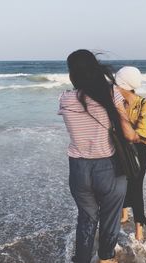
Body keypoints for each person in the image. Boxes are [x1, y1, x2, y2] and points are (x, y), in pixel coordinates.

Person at [58, 50, 140, 263]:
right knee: (110, 217)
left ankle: (82, 259)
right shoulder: (112, 93)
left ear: (72, 73)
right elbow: (129, 135)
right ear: (95, 69)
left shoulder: (65, 98)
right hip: (108, 167)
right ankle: (106, 258)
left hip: (78, 169)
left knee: (86, 219)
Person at [115, 66, 146, 241]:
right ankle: (124, 214)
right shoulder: (116, 101)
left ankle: (139, 227)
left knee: (136, 185)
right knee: (120, 179)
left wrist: (126, 131)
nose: (113, 85)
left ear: (123, 84)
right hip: (121, 146)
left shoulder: (143, 103)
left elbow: (143, 130)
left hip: (139, 147)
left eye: (116, 83)